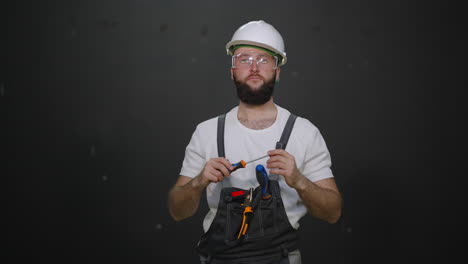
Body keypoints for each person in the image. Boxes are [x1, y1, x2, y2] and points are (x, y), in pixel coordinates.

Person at [168, 20, 342, 264]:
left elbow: (333, 213)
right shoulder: (206, 132)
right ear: (232, 71)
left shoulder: (304, 133)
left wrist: (299, 180)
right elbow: (177, 211)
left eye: (264, 59)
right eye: (244, 58)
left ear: (277, 71)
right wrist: (199, 181)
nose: (254, 67)